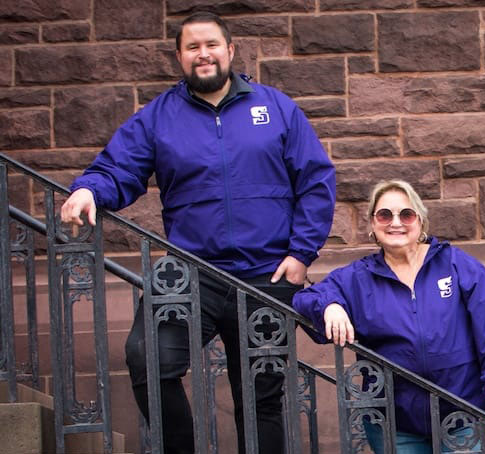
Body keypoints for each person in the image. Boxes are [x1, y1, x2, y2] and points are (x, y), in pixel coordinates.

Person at [59, 11, 336, 454]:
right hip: (192, 273)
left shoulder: (276, 108)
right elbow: (118, 169)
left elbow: (316, 181)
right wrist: (90, 190)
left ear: (230, 50)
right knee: (147, 358)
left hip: (268, 276)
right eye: (192, 47)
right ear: (179, 57)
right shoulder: (158, 118)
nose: (202, 54)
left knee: (261, 398)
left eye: (211, 45)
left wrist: (302, 254)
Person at [293, 180, 485, 454]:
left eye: (406, 214)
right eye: (384, 215)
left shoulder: (456, 264)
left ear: (420, 220)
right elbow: (304, 299)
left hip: (464, 412)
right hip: (394, 423)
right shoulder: (358, 278)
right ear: (372, 225)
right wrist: (330, 306)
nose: (395, 222)